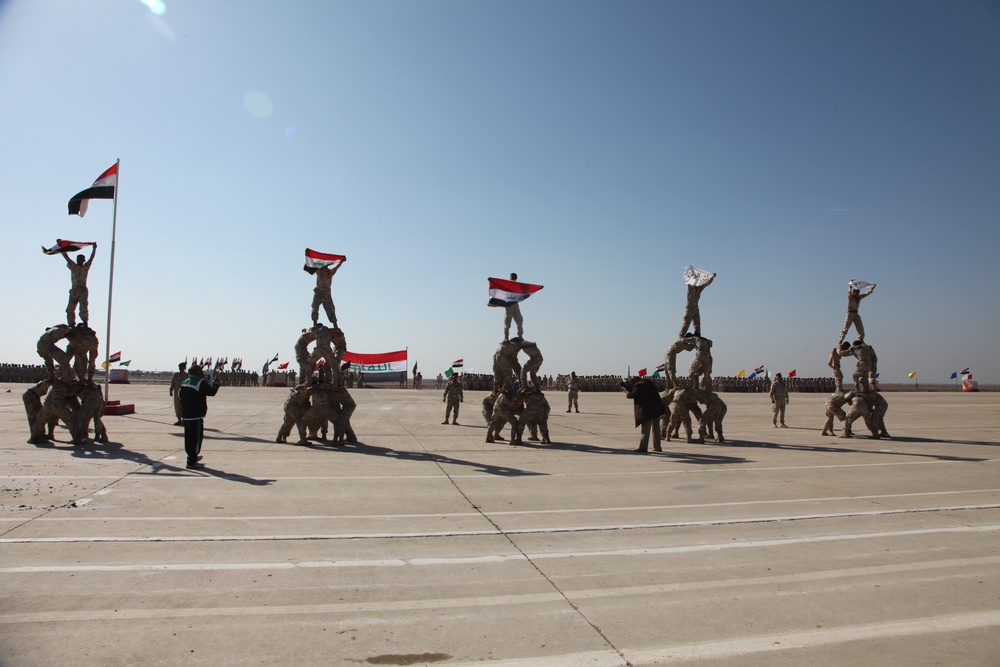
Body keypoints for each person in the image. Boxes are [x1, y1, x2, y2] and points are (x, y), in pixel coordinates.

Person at [178, 364, 219, 469]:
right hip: (195, 415)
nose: (203, 373)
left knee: (188, 438)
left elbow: (179, 396)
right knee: (196, 438)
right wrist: (216, 383)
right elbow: (211, 391)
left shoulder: (184, 382)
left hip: (186, 415)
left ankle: (191, 457)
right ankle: (192, 461)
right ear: (197, 372)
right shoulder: (199, 382)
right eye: (201, 371)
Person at [625, 376, 665, 453]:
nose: (632, 385)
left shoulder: (640, 385)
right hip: (657, 409)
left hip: (648, 411)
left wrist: (627, 393)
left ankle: (643, 447)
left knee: (645, 430)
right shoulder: (649, 383)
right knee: (656, 429)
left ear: (636, 381)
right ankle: (657, 446)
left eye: (632, 383)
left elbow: (632, 395)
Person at [65, 244, 96, 327]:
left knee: (83, 308)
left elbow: (91, 259)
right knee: (70, 309)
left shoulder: (85, 267)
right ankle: (71, 324)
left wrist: (94, 249)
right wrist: (61, 247)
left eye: (81, 259)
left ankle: (85, 323)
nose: (79, 260)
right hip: (74, 290)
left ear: (83, 260)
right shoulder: (73, 267)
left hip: (82, 290)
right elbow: (66, 257)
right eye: (78, 259)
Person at [679, 268, 714, 337]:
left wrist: (711, 278)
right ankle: (681, 335)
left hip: (695, 307)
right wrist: (691, 274)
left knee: (697, 322)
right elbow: (689, 281)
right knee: (686, 322)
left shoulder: (699, 288)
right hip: (689, 307)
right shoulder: (690, 287)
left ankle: (697, 334)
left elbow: (706, 283)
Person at [310, 262, 340, 327]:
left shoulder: (330, 272)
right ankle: (315, 324)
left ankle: (335, 325)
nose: (325, 269)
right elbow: (313, 264)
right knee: (315, 307)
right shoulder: (319, 271)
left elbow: (337, 267)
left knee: (330, 309)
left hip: (326, 294)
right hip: (318, 292)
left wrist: (341, 261)